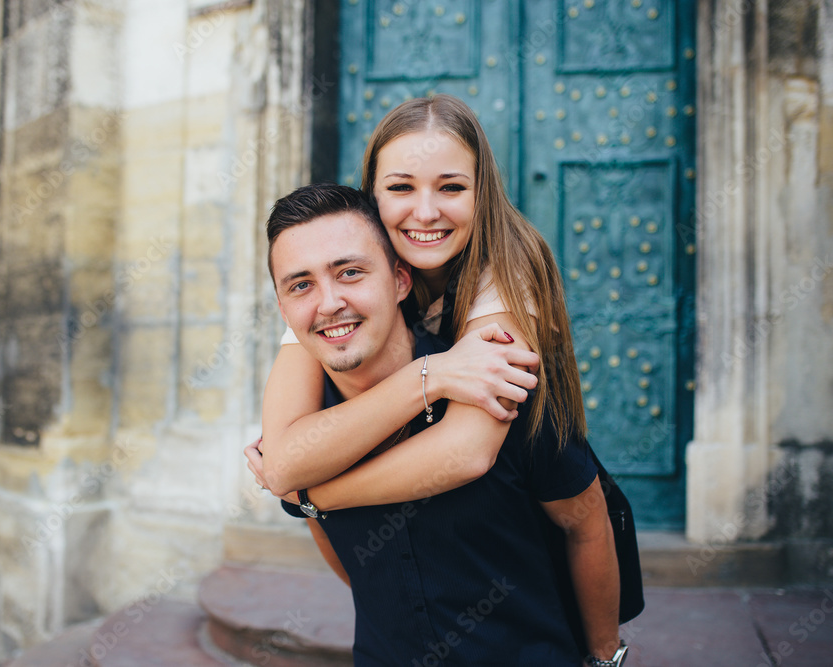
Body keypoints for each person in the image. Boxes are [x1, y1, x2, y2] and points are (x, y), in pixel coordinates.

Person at [258, 181, 624, 666]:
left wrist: (603, 659)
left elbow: (587, 522)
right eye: (301, 285)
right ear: (284, 310)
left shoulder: (498, 376)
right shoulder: (302, 436)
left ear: (401, 280)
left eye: (349, 273)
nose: (328, 304)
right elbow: (346, 560)